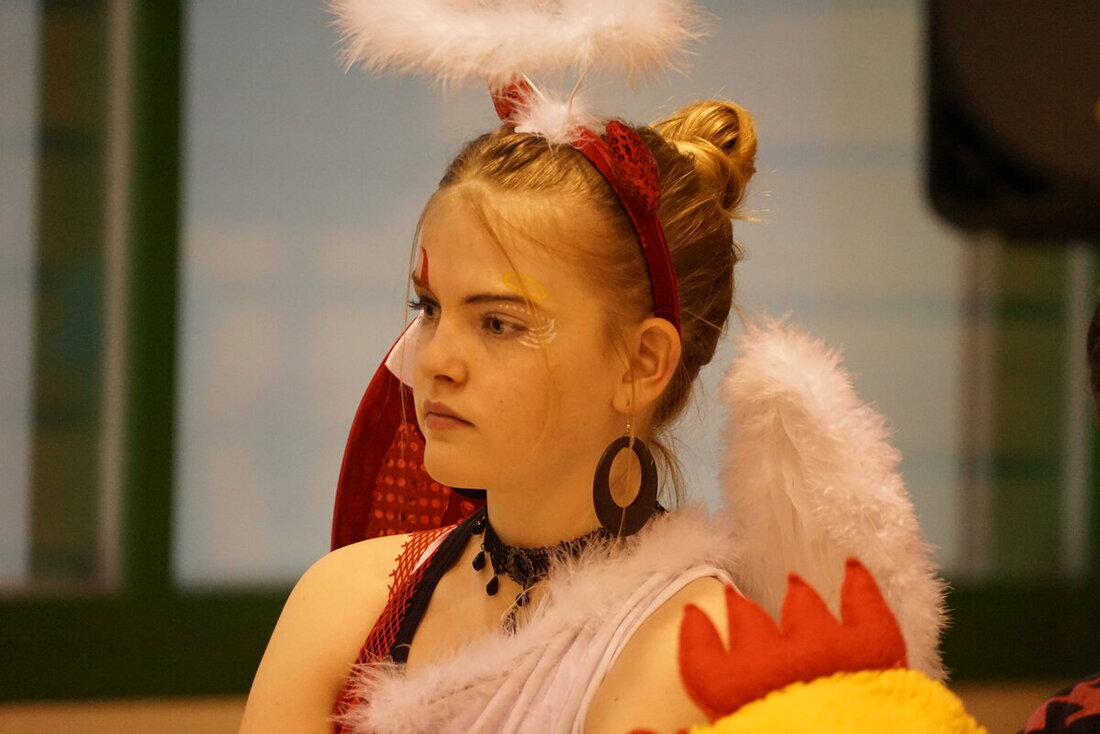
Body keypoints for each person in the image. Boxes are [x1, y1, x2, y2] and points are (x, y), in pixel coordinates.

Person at [239, 95, 758, 734]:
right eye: (429, 308)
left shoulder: (696, 646)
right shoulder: (342, 602)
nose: (433, 360)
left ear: (640, 363)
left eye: (498, 323)